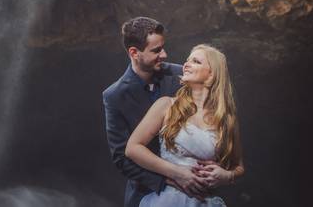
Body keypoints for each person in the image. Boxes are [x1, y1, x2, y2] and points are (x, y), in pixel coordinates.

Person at [125, 44, 245, 206]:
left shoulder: (226, 119)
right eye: (187, 60)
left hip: (205, 202)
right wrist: (176, 173)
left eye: (196, 61)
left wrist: (226, 176)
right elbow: (132, 148)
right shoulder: (167, 105)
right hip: (169, 200)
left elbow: (238, 167)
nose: (186, 64)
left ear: (211, 74)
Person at [103, 17, 187, 207]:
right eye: (156, 50)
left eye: (163, 47)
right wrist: (167, 179)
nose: (164, 54)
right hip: (146, 194)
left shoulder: (181, 75)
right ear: (134, 52)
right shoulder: (114, 96)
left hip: (191, 191)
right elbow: (121, 157)